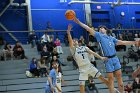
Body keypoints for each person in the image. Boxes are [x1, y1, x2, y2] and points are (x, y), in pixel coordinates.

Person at [73, 17, 139, 93]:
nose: (101, 29)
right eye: (99, 28)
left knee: (119, 77)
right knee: (110, 80)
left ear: (106, 30)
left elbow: (122, 42)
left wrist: (134, 42)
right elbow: (87, 28)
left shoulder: (111, 38)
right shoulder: (99, 36)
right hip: (107, 60)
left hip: (115, 58)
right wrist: (78, 21)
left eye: (102, 28)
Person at [67, 24, 119, 93]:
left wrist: (101, 57)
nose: (74, 41)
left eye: (75, 40)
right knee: (81, 88)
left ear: (78, 42)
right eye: (73, 41)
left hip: (89, 66)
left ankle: (114, 90)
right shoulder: (73, 50)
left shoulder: (84, 47)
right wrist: (68, 32)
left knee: (103, 79)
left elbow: (93, 53)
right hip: (82, 69)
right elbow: (70, 41)